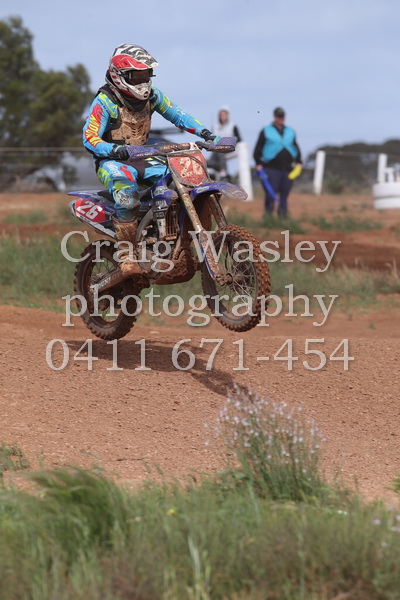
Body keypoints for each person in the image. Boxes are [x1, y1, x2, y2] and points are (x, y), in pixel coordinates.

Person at [82, 43, 218, 276]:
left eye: (146, 74)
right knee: (126, 193)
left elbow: (178, 115)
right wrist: (114, 150)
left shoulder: (153, 96)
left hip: (143, 157)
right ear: (120, 75)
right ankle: (127, 255)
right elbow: (89, 137)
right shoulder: (105, 102)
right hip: (112, 161)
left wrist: (207, 134)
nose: (143, 81)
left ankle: (179, 239)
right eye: (137, 76)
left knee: (186, 176)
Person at [253, 107, 302, 218]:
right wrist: (258, 164)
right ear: (274, 116)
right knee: (271, 194)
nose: (280, 118)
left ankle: (283, 216)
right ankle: (269, 217)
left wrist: (299, 162)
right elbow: (257, 149)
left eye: (282, 116)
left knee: (284, 194)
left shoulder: (290, 131)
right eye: (278, 116)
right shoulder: (266, 130)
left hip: (288, 169)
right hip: (271, 168)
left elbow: (295, 147)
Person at [207, 106, 241, 182]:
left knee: (220, 151)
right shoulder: (215, 126)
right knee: (210, 160)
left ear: (227, 116)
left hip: (229, 148)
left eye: (224, 115)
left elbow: (239, 139)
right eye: (221, 115)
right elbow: (210, 138)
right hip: (216, 150)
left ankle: (223, 172)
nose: (222, 117)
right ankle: (220, 172)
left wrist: (228, 142)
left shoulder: (233, 126)